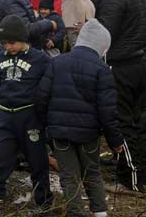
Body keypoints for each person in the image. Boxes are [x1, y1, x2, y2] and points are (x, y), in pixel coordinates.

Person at [35, 19, 124, 217]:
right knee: (92, 173)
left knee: (69, 177)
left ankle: (76, 213)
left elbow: (41, 98)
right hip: (89, 134)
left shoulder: (57, 62)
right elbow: (107, 111)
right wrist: (115, 141)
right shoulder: (102, 70)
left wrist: (47, 127)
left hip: (60, 133)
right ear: (102, 46)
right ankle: (100, 213)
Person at [93, 0, 146, 192]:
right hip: (140, 63)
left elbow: (104, 35)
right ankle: (142, 172)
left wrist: (90, 31)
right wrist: (136, 44)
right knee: (139, 120)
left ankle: (131, 180)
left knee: (122, 122)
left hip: (120, 66)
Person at [0, 15, 52, 216]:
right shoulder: (1, 58)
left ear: (23, 39)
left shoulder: (40, 59)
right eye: (5, 43)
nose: (8, 47)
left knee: (38, 163)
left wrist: (43, 117)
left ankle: (44, 203)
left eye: (12, 42)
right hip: (6, 118)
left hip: (29, 117)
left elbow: (48, 89)